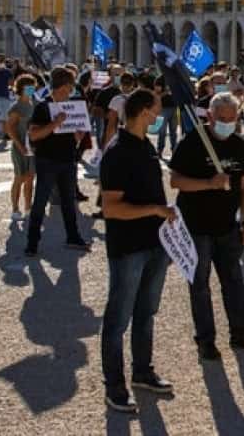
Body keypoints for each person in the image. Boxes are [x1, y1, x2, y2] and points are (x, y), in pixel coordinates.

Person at [169, 92, 244, 360]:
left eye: (231, 119)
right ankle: (205, 339)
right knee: (200, 284)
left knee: (234, 282)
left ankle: (241, 332)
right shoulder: (193, 141)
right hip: (196, 227)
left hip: (227, 227)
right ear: (210, 116)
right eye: (221, 118)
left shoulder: (237, 144)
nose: (226, 123)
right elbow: (175, 181)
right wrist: (207, 184)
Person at [99, 88, 179, 409]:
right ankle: (114, 384)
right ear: (145, 111)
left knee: (146, 313)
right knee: (118, 318)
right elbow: (112, 208)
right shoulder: (117, 152)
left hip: (154, 243)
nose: (160, 116)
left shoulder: (145, 145)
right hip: (129, 246)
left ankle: (142, 371)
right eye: (157, 110)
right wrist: (156, 211)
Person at [24, 68, 91, 256]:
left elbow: (74, 137)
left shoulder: (73, 107)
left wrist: (79, 134)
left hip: (68, 159)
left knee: (69, 200)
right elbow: (35, 134)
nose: (72, 90)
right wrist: (55, 123)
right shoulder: (43, 107)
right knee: (40, 201)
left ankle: (73, 236)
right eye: (70, 86)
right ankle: (32, 242)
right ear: (64, 86)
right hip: (47, 160)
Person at [6, 74, 38, 222]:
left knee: (31, 178)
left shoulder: (35, 104)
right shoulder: (16, 107)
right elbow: (10, 129)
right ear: (21, 88)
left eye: (33, 86)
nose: (31, 89)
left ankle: (28, 207)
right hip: (20, 147)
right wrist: (21, 146)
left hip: (33, 147)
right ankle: (15, 208)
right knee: (19, 178)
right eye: (28, 87)